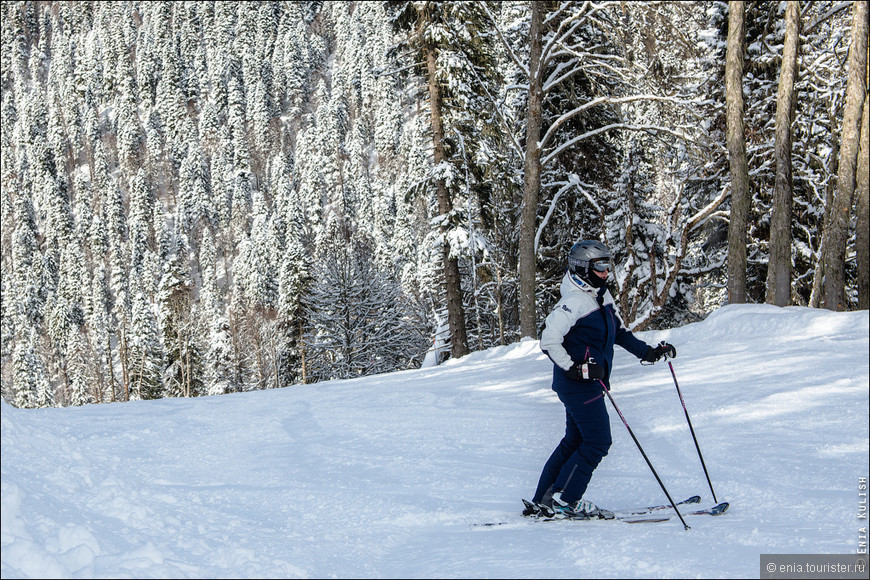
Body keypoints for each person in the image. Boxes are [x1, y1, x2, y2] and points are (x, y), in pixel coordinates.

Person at [525, 240, 676, 519]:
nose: (607, 272)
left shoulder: (600, 296)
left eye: (609, 265)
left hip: (588, 382)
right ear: (584, 268)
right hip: (578, 384)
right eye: (601, 266)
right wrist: (575, 368)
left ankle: (544, 499)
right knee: (598, 441)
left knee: (575, 440)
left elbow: (619, 333)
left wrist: (650, 353)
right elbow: (548, 340)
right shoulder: (574, 302)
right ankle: (566, 500)